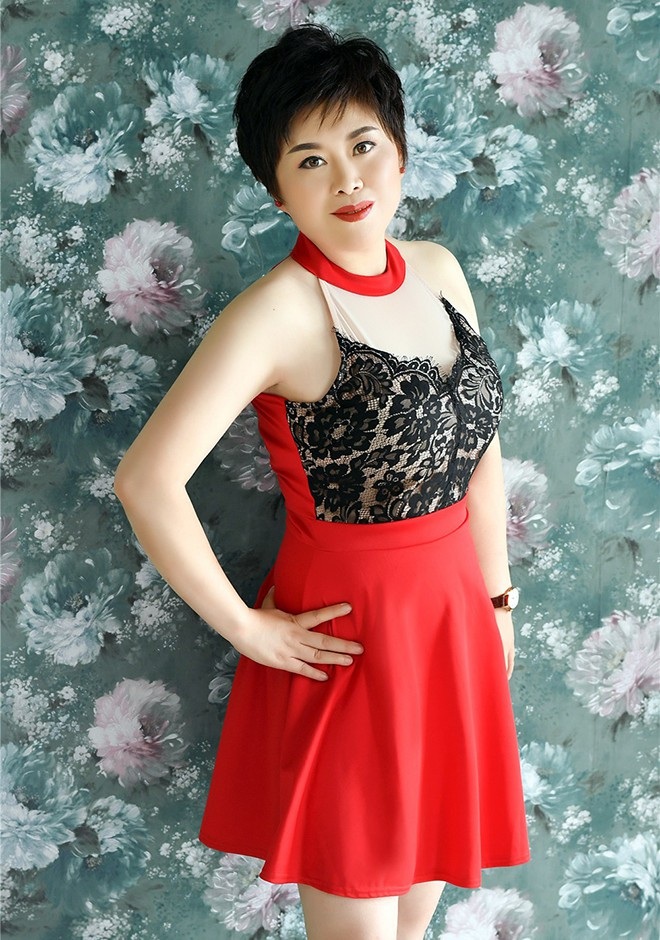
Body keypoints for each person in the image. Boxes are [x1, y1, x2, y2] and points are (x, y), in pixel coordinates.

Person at [114, 23, 531, 940]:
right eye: (310, 160)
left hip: (452, 627)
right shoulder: (276, 313)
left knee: (414, 923)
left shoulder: (440, 271)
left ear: (401, 152)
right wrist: (246, 629)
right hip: (351, 646)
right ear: (276, 188)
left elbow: (480, 449)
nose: (347, 179)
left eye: (363, 145)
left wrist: (498, 598)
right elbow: (146, 480)